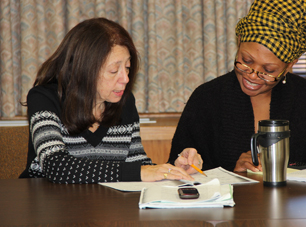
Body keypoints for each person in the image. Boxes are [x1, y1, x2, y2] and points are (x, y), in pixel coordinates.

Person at [168, 0, 306, 173]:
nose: (253, 76)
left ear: (290, 65)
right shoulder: (207, 98)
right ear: (239, 42)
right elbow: (181, 172)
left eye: (269, 70)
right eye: (247, 60)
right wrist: (234, 172)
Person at [19, 18, 202, 184]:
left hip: (103, 210)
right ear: (84, 70)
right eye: (114, 71)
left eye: (128, 68)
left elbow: (137, 164)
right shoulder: (44, 98)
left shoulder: (124, 102)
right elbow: (55, 166)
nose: (125, 79)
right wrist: (141, 172)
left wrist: (173, 168)